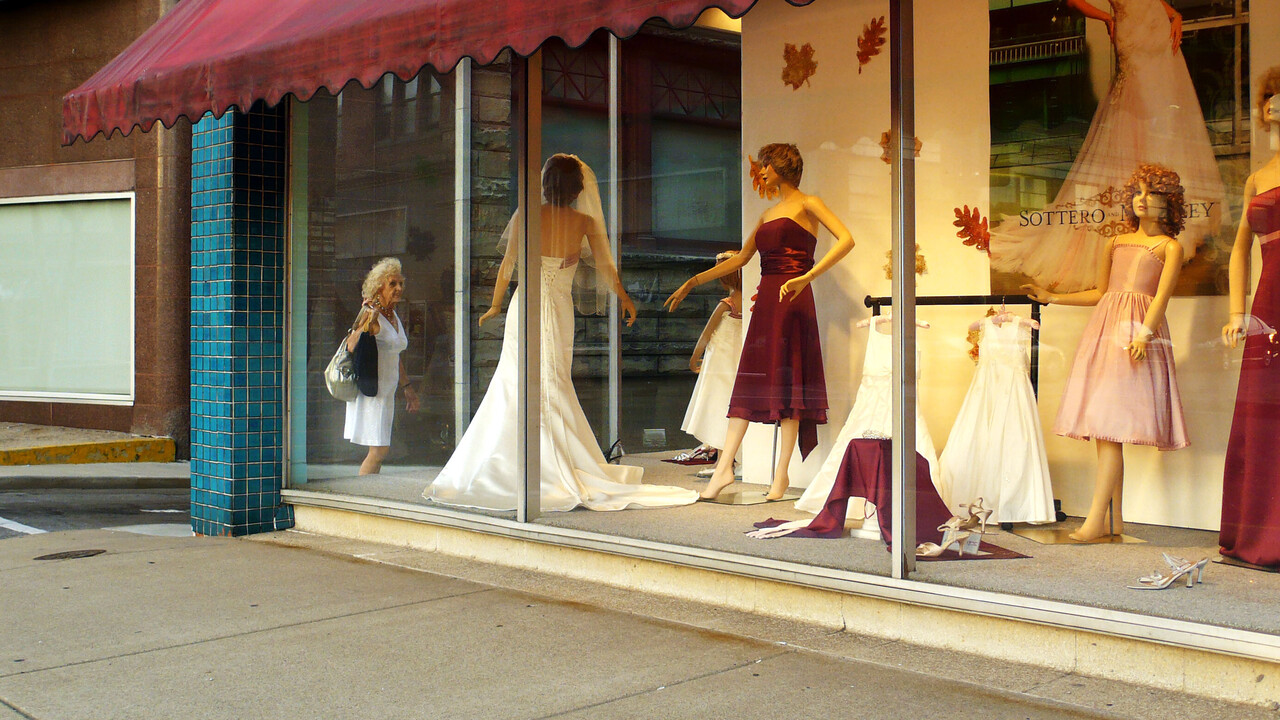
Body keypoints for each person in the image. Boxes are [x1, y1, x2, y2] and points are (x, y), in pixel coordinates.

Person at [426, 154, 697, 511]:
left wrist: (495, 305)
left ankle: (513, 462)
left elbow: (508, 264)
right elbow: (604, 267)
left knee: (517, 380)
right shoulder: (583, 221)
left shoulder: (527, 215)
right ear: (578, 189)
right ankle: (542, 460)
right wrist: (626, 300)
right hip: (555, 307)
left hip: (525, 307)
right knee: (546, 380)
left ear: (546, 183)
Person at [990, 0, 1224, 293]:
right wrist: (1106, 17)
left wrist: (1174, 13)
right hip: (1132, 33)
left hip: (1158, 28)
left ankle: (1162, 218)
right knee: (1135, 113)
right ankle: (1135, 222)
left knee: (1164, 116)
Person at [665, 143, 855, 501]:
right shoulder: (767, 214)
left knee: (790, 379)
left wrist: (807, 277)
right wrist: (694, 281)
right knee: (750, 379)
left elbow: (846, 240)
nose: (761, 170)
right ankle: (724, 469)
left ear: (781, 166)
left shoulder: (808, 203)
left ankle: (781, 475)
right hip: (767, 299)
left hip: (793, 298)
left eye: (766, 165)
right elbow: (740, 259)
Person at [1024, 163, 1189, 542]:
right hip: (1105, 331)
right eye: (1138, 192)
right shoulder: (1114, 242)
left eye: (1152, 193)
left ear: (1169, 202)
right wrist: (1052, 297)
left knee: (1110, 427)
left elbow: (1162, 298)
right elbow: (1101, 292)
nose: (1142, 200)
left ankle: (1097, 519)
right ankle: (1112, 520)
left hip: (1136, 335)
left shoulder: (1169, 247)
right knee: (1106, 427)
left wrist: (1145, 333)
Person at [1219, 69, 1280, 568]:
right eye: (1269, 97)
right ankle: (1260, 532)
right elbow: (1239, 251)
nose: (1275, 103)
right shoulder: (1257, 177)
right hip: (1267, 305)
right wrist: (1237, 312)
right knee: (1264, 416)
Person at [344, 257, 419, 475]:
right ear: (379, 287)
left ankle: (368, 494)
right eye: (392, 284)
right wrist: (368, 322)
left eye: (401, 283)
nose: (398, 288)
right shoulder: (371, 312)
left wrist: (407, 388)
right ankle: (361, 499)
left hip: (387, 392)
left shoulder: (393, 314)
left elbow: (394, 355)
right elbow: (351, 345)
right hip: (372, 391)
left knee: (379, 451)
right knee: (378, 451)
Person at [678, 250, 743, 474]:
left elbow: (706, 335)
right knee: (730, 408)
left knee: (718, 407)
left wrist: (694, 358)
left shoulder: (726, 305)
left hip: (720, 364)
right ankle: (727, 460)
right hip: (737, 361)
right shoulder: (748, 302)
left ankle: (723, 462)